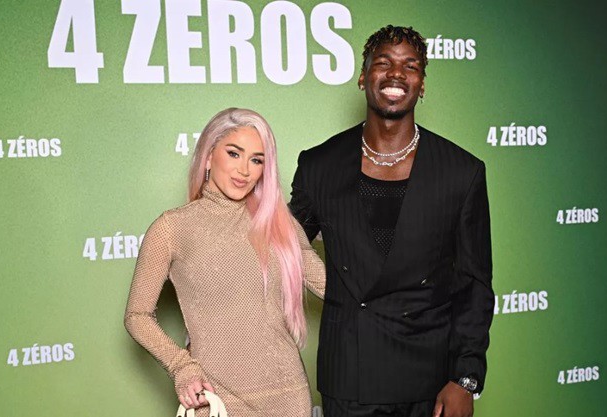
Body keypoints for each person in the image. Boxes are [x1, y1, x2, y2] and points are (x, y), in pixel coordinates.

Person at [289, 26, 494, 417]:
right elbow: (282, 245)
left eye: (410, 66)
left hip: (430, 380)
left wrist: (465, 378)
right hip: (349, 375)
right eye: (383, 63)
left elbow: (474, 285)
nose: (396, 74)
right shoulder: (319, 165)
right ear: (363, 76)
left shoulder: (461, 171)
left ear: (422, 84)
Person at [125, 108, 325, 417]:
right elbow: (137, 316)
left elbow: (338, 289)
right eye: (234, 154)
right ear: (208, 156)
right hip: (218, 398)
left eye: (256, 160)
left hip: (288, 395)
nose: (244, 170)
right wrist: (181, 366)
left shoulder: (279, 223)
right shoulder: (172, 228)